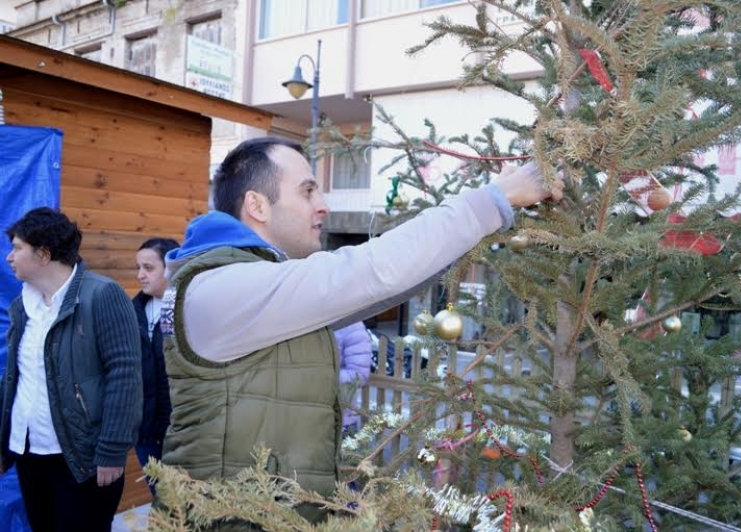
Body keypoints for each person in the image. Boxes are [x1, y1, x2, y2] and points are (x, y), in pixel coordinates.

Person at [159, 137, 562, 524]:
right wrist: (494, 198)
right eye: (308, 191)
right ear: (256, 205)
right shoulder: (222, 288)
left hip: (277, 515)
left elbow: (381, 289)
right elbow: (371, 271)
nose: (323, 206)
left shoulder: (262, 289)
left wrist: (472, 231)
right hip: (235, 520)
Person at [0, 207, 142, 532]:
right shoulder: (24, 305)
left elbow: (125, 375)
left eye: (17, 248)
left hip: (82, 459)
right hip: (29, 452)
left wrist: (112, 449)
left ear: (44, 254)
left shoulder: (102, 294)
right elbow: (17, 377)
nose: (9, 257)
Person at [132, 237, 179, 491]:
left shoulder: (187, 309)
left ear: (169, 268)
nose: (140, 275)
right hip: (146, 433)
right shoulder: (132, 312)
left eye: (148, 268)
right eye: (138, 267)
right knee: (161, 499)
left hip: (182, 433)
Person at [334, 321, 372, 433]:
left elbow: (359, 374)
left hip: (341, 420)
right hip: (305, 417)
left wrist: (321, 377)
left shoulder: (352, 325)